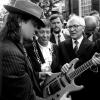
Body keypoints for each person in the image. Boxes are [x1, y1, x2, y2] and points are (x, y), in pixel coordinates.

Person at [0, 0, 46, 100]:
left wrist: (37, 76)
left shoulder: (13, 44)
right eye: (34, 25)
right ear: (20, 21)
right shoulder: (11, 54)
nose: (36, 30)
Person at [25, 18, 71, 100]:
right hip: (37, 89)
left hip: (55, 87)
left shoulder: (55, 47)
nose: (45, 35)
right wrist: (39, 75)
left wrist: (62, 67)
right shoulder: (29, 48)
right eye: (42, 32)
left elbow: (58, 65)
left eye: (48, 32)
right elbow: (27, 71)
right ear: (36, 33)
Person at [58, 15, 100, 100]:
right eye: (70, 27)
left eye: (75, 26)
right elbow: (57, 65)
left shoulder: (92, 46)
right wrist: (62, 67)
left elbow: (94, 76)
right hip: (65, 90)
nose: (72, 29)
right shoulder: (62, 45)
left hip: (84, 92)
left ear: (83, 28)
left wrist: (94, 66)